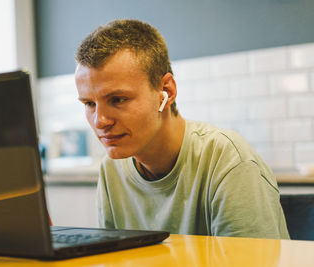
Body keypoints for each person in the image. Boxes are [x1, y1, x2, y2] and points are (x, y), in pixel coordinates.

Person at [74, 19, 289, 239]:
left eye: (118, 99)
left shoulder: (227, 160)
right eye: (89, 104)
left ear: (166, 91)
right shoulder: (112, 168)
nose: (100, 121)